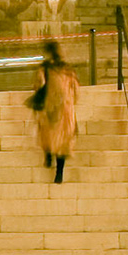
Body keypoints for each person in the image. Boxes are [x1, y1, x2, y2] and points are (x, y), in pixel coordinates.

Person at [28, 41, 80, 183]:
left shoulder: (45, 69)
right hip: (66, 110)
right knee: (63, 141)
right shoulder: (68, 70)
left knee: (48, 135)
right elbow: (76, 91)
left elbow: (39, 85)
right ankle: (59, 173)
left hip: (49, 108)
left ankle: (48, 155)